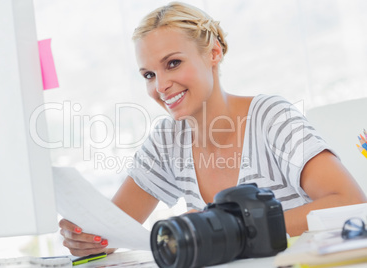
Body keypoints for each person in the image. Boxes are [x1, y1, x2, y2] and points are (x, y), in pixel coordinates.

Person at [59, 1, 366, 257]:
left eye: (173, 63)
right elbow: (113, 229)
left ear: (214, 53)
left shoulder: (271, 117)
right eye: (149, 74)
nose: (161, 85)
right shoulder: (167, 140)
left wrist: (227, 230)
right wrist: (88, 239)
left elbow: (351, 202)